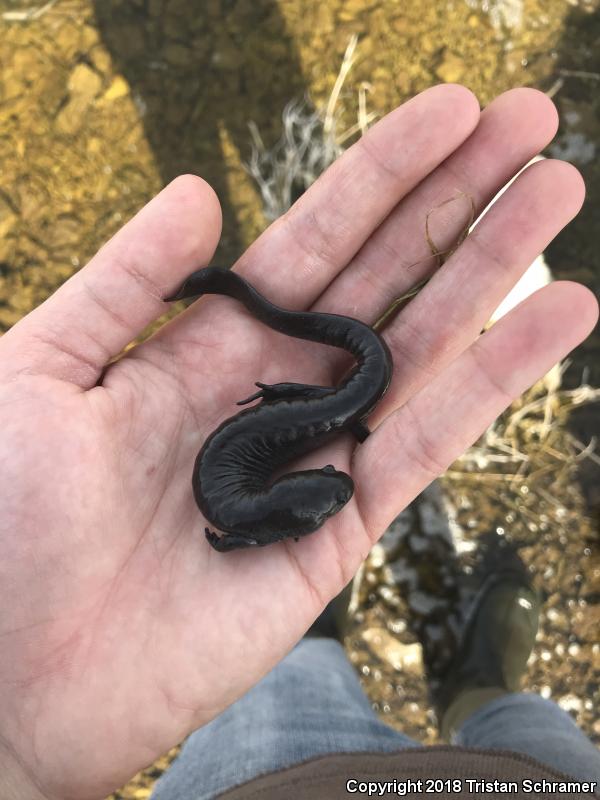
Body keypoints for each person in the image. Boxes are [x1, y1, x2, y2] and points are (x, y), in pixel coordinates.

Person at [0, 84, 597, 800]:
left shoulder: (256, 515)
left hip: (304, 430)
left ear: (288, 496)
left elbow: (241, 537)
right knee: (546, 754)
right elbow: (233, 538)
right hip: (303, 422)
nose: (334, 492)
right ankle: (482, 696)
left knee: (283, 688)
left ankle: (332, 654)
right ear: (285, 497)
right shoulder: (247, 517)